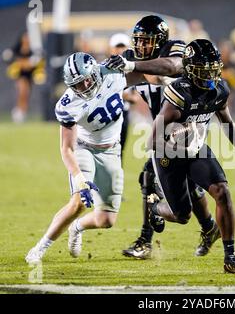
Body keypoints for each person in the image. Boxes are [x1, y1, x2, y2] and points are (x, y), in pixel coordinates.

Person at [25, 48, 192, 264]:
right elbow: (67, 148)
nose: (83, 86)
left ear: (94, 72)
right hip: (84, 148)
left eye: (86, 80)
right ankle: (40, 247)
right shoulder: (68, 104)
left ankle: (77, 228)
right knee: (79, 202)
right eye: (77, 84)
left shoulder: (111, 74)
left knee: (106, 220)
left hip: (111, 151)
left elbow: (146, 75)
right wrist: (78, 177)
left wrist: (166, 79)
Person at [148, 39, 235, 274]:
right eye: (204, 69)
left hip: (196, 148)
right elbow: (152, 140)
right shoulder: (180, 93)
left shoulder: (219, 89)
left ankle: (231, 256)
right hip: (169, 156)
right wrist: (174, 137)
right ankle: (154, 207)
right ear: (190, 69)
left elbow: (227, 122)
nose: (210, 74)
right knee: (182, 215)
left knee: (222, 190)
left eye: (213, 68)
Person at [121, 15, 221, 260]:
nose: (141, 47)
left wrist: (133, 67)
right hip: (164, 131)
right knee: (187, 186)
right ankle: (209, 228)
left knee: (153, 177)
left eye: (147, 41)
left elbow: (172, 66)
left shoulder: (175, 49)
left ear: (160, 40)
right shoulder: (133, 59)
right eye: (139, 41)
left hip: (188, 128)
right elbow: (114, 81)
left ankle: (146, 239)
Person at [4, 32, 45, 123]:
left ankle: (22, 112)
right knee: (23, 90)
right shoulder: (16, 49)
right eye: (25, 37)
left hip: (30, 76)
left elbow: (36, 62)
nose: (27, 40)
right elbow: (9, 58)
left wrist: (28, 64)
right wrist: (22, 63)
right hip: (20, 75)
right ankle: (18, 112)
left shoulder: (33, 51)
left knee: (26, 94)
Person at [108, 33, 132, 164]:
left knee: (120, 151)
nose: (120, 50)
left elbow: (134, 98)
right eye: (118, 47)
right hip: (107, 114)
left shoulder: (132, 69)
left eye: (123, 47)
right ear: (111, 48)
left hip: (124, 113)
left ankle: (116, 181)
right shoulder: (104, 68)